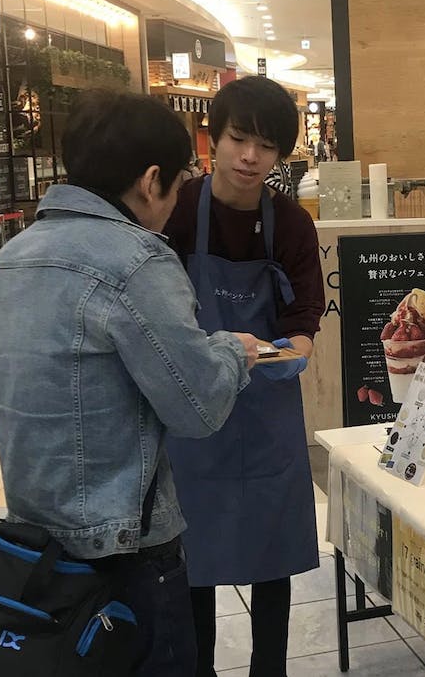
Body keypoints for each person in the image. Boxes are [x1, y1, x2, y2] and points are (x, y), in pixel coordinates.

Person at [0, 90, 259, 677]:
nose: (175, 203)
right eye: (177, 186)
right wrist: (234, 350)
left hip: (32, 547)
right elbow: (199, 407)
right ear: (151, 181)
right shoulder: (136, 261)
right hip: (126, 556)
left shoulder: (11, 259)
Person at [162, 76, 325, 677]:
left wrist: (292, 351)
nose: (250, 157)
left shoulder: (291, 223)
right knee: (192, 555)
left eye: (267, 146)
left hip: (266, 410)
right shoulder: (178, 209)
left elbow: (304, 316)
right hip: (192, 408)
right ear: (213, 137)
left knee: (270, 553)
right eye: (238, 139)